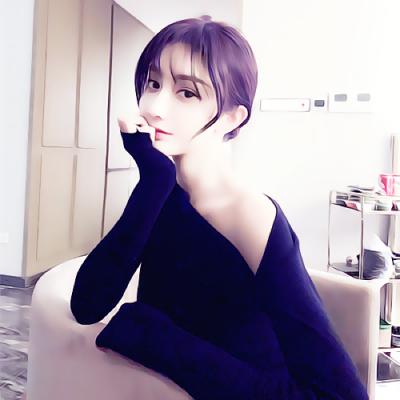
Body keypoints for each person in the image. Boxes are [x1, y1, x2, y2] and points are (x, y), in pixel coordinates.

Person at [70, 16, 369, 399]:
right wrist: (153, 180)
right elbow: (87, 305)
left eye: (187, 93)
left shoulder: (250, 215)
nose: (155, 107)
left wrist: (155, 338)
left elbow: (340, 395)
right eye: (153, 83)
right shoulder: (161, 188)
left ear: (231, 117)